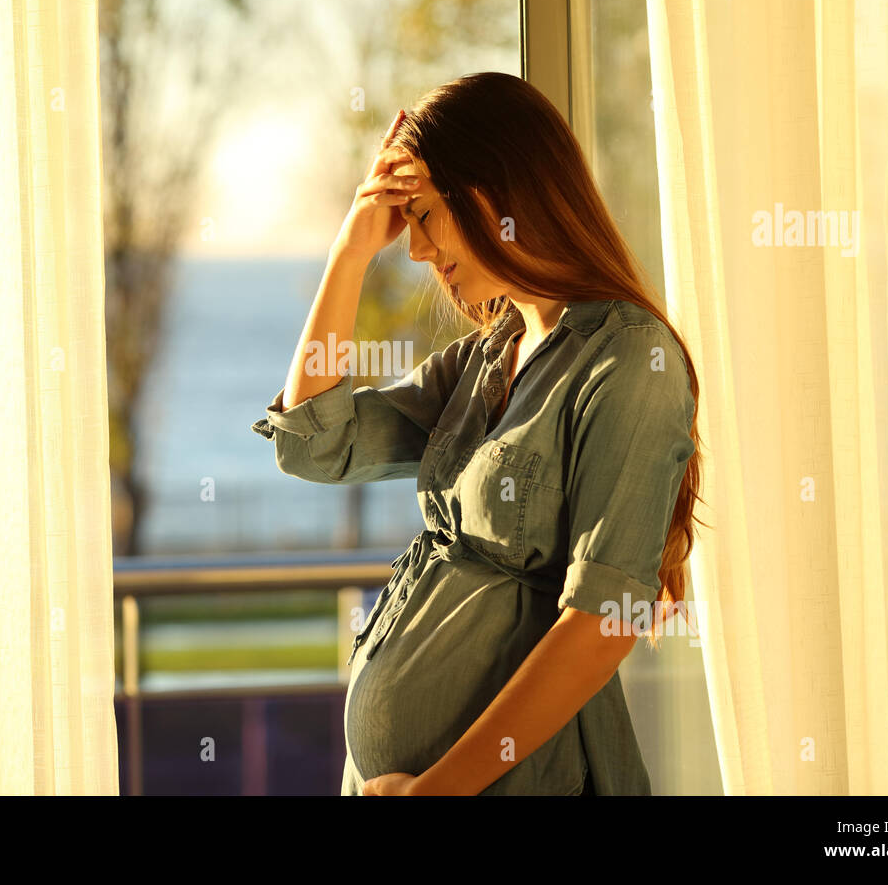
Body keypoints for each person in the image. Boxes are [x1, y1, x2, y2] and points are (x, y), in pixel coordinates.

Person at [250, 72, 705, 795]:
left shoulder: (629, 361)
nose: (418, 251)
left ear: (493, 195)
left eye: (425, 216)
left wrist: (437, 792)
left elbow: (600, 625)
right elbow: (315, 442)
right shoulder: (489, 354)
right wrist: (351, 250)